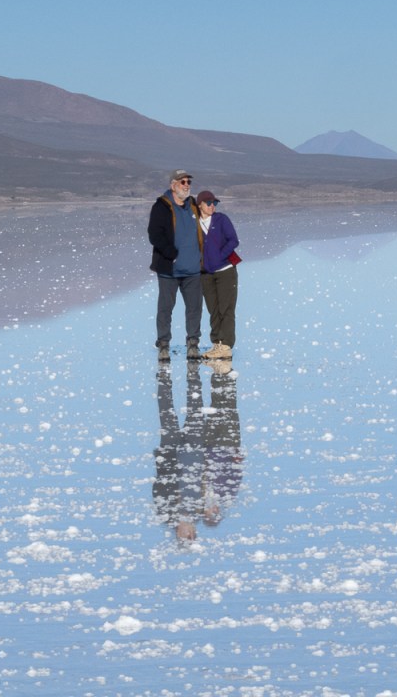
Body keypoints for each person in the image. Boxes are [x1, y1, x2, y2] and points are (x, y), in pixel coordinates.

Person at [152, 360, 243, 543]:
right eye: (193, 535)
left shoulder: (166, 514)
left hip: (171, 453)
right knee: (197, 407)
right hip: (197, 451)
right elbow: (210, 479)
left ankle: (164, 376)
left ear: (179, 534)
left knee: (167, 410)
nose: (191, 533)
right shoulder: (200, 509)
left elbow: (159, 487)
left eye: (187, 536)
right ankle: (194, 373)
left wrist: (167, 465)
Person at [147, 170, 202, 362]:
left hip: (193, 270)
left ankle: (193, 344)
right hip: (169, 270)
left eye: (188, 182)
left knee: (194, 309)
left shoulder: (193, 205)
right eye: (182, 182)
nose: (186, 185)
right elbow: (154, 234)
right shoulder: (161, 206)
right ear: (173, 185)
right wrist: (171, 254)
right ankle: (163, 345)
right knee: (165, 309)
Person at [195, 190, 239, 360]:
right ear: (200, 205)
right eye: (208, 203)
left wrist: (219, 257)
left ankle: (225, 346)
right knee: (213, 309)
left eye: (214, 203)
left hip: (225, 270)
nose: (212, 206)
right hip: (205, 274)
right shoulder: (194, 224)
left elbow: (233, 240)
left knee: (226, 309)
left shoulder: (221, 219)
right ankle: (216, 344)